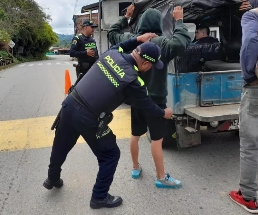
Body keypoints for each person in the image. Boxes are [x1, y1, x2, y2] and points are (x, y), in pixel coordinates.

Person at [44, 34, 172, 209]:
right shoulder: (134, 81)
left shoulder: (112, 53)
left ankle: (52, 178)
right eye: (151, 66)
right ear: (146, 64)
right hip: (87, 117)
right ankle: (99, 197)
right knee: (111, 154)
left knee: (61, 144)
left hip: (70, 104)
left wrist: (137, 39)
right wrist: (164, 113)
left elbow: (121, 45)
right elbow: (149, 107)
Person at [108, 4, 191, 189]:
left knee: (135, 134)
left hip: (136, 98)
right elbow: (182, 41)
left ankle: (136, 168)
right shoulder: (162, 43)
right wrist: (179, 21)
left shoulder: (132, 40)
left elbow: (112, 34)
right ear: (159, 24)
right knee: (156, 139)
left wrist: (126, 17)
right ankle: (161, 178)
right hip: (156, 100)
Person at [229, 0, 258, 213]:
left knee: (251, 145)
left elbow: (250, 43)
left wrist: (249, 76)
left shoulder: (254, 15)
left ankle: (248, 197)